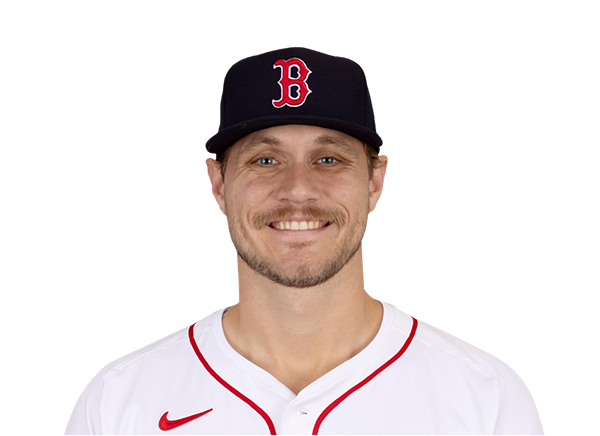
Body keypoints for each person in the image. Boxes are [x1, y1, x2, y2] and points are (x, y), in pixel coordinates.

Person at [66, 47, 544, 435]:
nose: (297, 191)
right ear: (217, 184)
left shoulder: (485, 396)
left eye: (329, 159)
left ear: (375, 182)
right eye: (265, 161)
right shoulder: (119, 401)